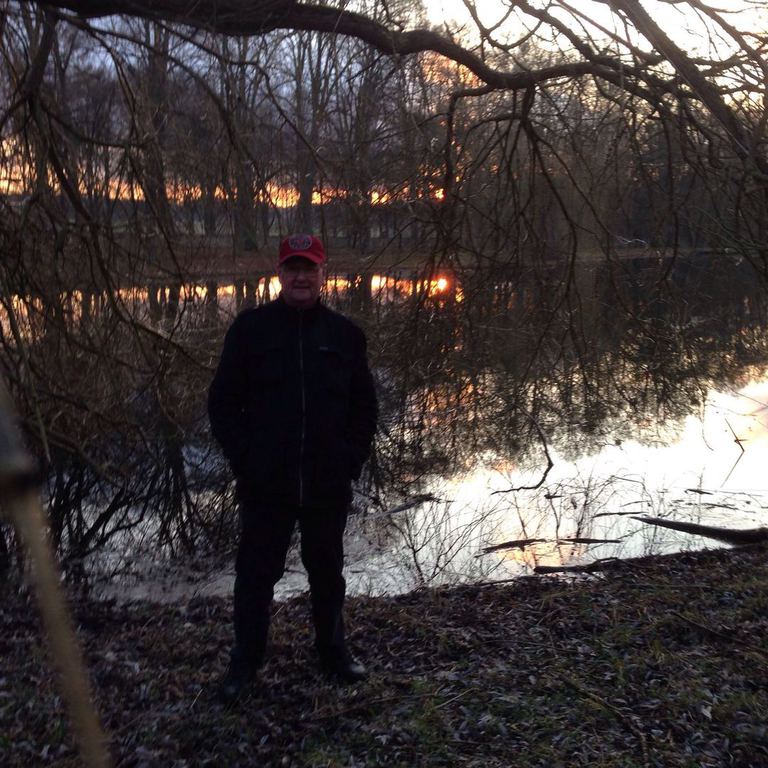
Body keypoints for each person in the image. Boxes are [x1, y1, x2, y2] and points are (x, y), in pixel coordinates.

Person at [208, 233, 378, 703]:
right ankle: (245, 661)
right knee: (255, 576)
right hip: (266, 484)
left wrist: (349, 459)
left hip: (326, 483)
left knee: (328, 573)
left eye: (310, 268)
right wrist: (246, 460)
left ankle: (333, 653)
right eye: (293, 268)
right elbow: (222, 403)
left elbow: (365, 408)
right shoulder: (250, 330)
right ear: (280, 273)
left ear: (323, 273)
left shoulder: (345, 335)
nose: (301, 277)